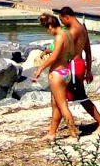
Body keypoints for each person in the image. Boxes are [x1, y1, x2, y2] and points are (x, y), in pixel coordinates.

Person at [57, 5, 100, 135]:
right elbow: (88, 51)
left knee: (79, 96)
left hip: (74, 64)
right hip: (80, 63)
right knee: (60, 96)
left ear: (66, 17)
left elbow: (65, 49)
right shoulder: (83, 29)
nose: (62, 23)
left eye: (62, 20)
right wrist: (89, 70)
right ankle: (54, 128)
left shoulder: (73, 31)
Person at [30, 12, 80, 142]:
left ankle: (73, 134)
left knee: (62, 105)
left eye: (47, 29)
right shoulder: (68, 34)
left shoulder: (59, 37)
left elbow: (54, 57)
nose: (48, 32)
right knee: (55, 104)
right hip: (66, 71)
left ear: (51, 27)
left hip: (57, 74)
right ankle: (52, 133)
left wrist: (40, 69)